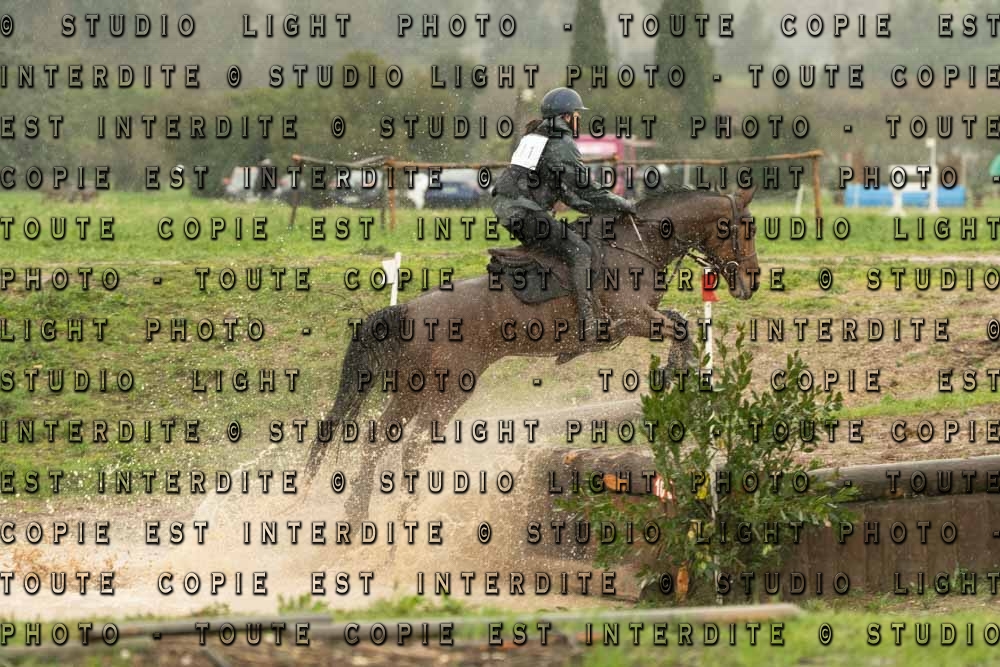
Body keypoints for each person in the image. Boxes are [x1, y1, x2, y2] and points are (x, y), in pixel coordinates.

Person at [492, 87, 637, 327]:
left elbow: (570, 195)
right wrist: (624, 204)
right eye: (577, 115)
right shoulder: (560, 142)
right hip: (523, 210)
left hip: (508, 207)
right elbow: (585, 188)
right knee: (580, 250)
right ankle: (587, 321)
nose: (580, 120)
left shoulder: (536, 136)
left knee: (558, 244)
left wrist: (606, 208)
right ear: (567, 116)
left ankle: (553, 304)